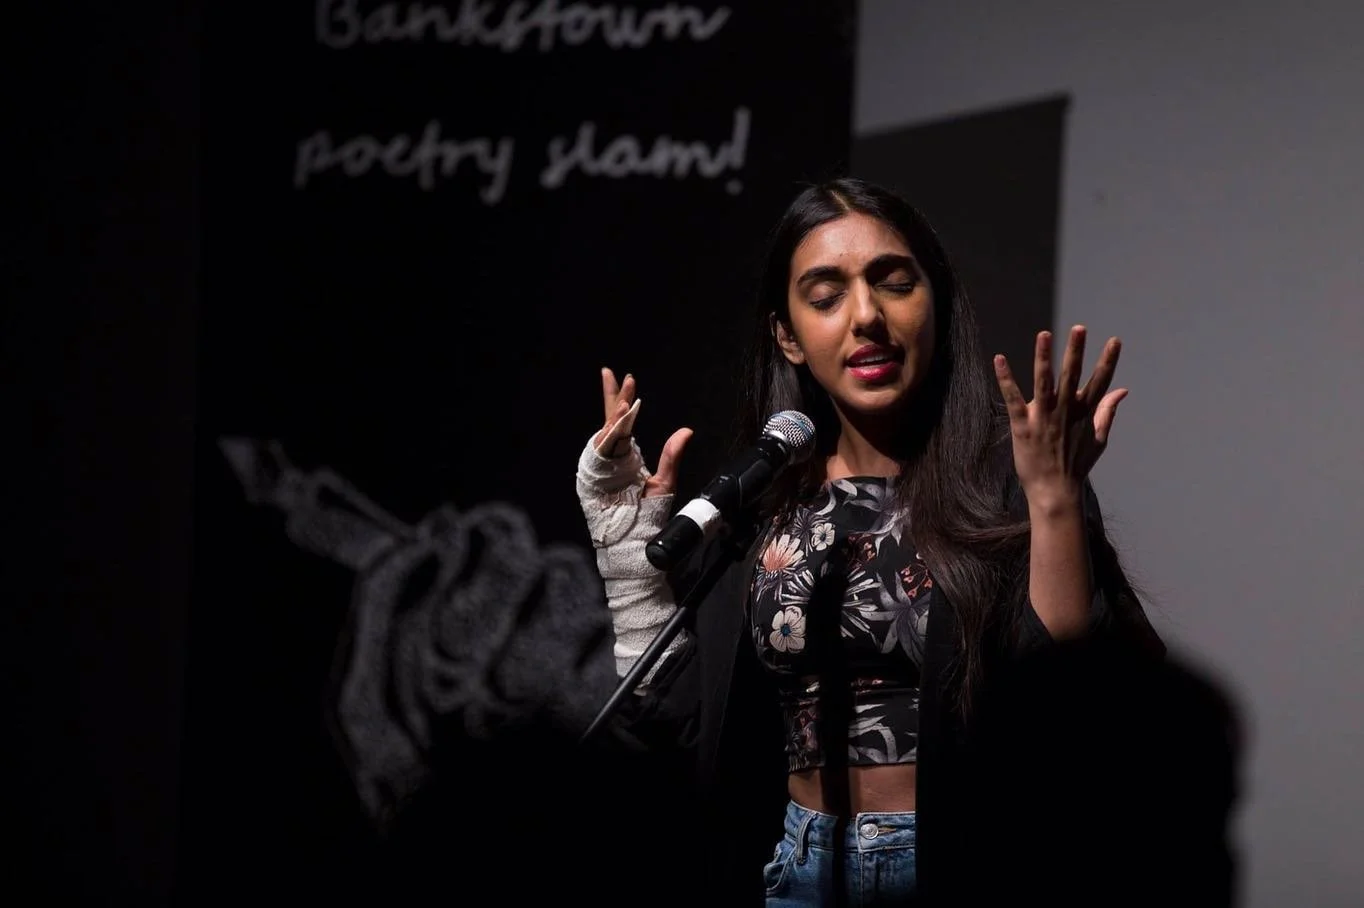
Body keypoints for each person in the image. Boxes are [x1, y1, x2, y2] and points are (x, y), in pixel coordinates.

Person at [574, 177, 1165, 906]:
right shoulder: (760, 509)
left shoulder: (1007, 483)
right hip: (793, 866)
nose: (866, 317)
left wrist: (1055, 499)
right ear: (787, 335)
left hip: (959, 865)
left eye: (894, 284)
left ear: (937, 306)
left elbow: (1074, 708)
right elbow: (682, 733)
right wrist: (629, 562)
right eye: (825, 297)